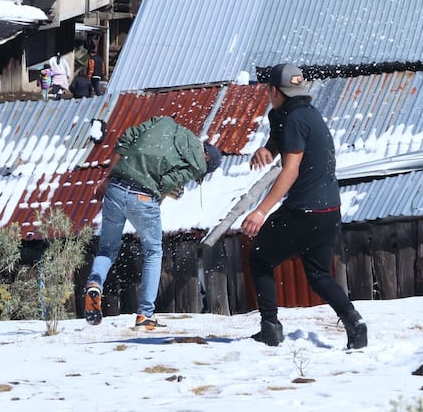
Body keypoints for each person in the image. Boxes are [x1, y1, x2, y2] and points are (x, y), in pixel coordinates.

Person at [241, 63, 367, 349]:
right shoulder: (297, 114)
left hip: (305, 210)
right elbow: (281, 139)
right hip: (329, 210)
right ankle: (355, 322)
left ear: (272, 90)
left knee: (260, 257)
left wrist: (261, 211)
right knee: (319, 274)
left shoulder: (294, 118)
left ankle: (270, 328)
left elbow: (291, 170)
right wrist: (267, 150)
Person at [84, 116, 222, 329]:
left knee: (107, 249)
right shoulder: (195, 163)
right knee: (153, 252)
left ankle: (94, 283)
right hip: (143, 197)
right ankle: (145, 315)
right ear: (206, 157)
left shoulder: (164, 123)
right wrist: (157, 200)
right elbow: (166, 183)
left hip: (116, 187)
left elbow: (126, 139)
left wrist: (109, 177)